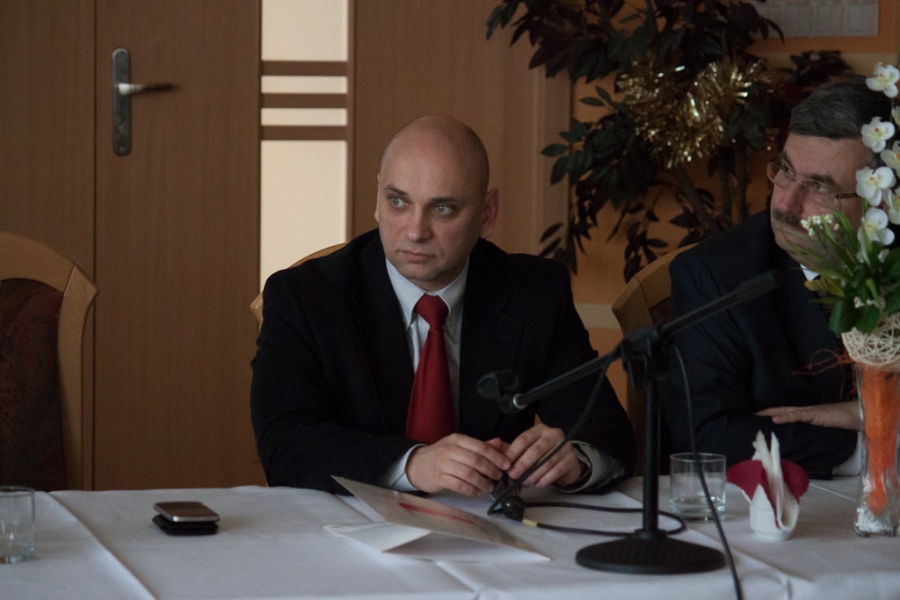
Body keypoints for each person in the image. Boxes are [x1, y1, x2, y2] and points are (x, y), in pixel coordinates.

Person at [251, 116, 636, 495]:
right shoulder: (305, 297)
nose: (415, 231)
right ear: (378, 200)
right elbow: (286, 444)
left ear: (487, 214)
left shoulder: (534, 292)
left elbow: (604, 428)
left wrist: (574, 458)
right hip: (348, 526)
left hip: (490, 527)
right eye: (398, 202)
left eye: (442, 209)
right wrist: (412, 465)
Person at [664, 75, 893, 478]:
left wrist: (865, 412)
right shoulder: (717, 275)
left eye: (819, 187)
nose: (786, 203)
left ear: (882, 201)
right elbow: (707, 436)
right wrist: (874, 441)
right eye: (786, 170)